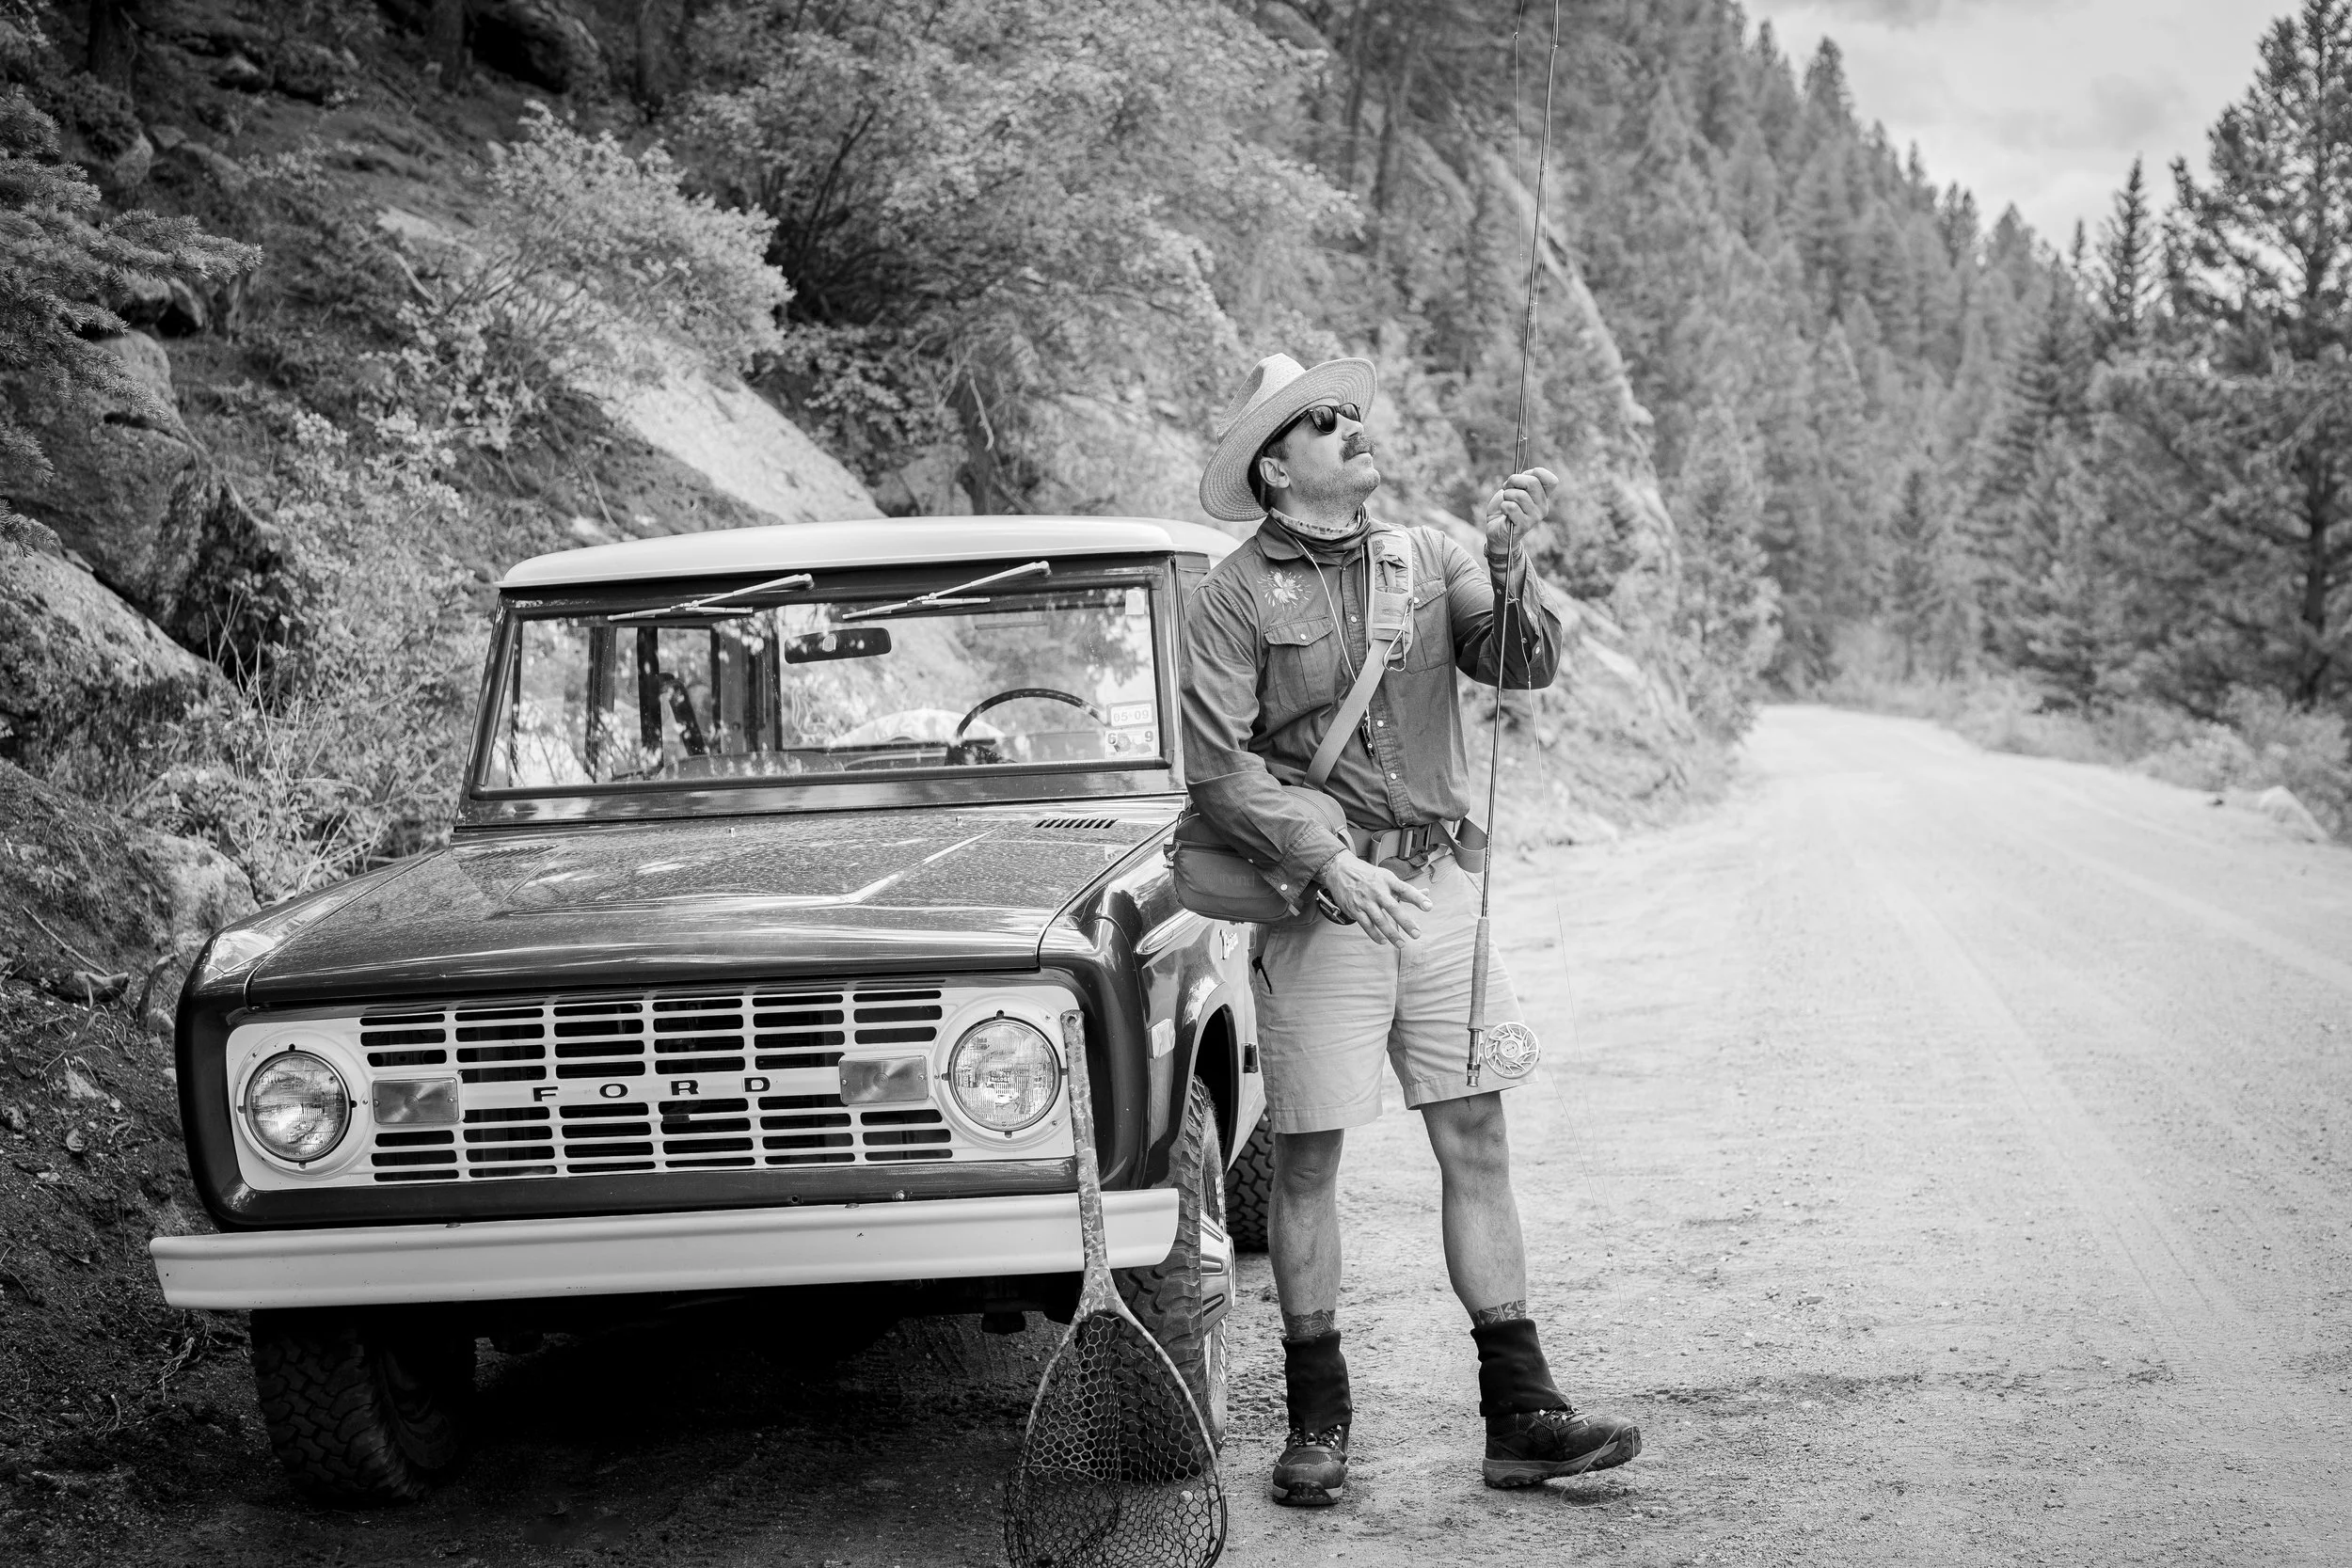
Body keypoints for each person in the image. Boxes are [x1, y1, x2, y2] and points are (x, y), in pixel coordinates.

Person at [1181, 353, 1643, 1504]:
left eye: (1351, 412)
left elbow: (1521, 666)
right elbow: (1219, 767)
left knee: (1475, 1134)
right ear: (1275, 469)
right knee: (1306, 1158)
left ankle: (1521, 1411)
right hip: (1321, 902)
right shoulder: (1229, 597)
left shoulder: (1432, 555)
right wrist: (1329, 860)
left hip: (1434, 887)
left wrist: (1509, 556)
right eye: (1321, 421)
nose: (1352, 427)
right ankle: (1317, 1419)